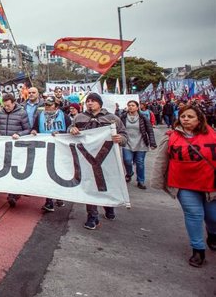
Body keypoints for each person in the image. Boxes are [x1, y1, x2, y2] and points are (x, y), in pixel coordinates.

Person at [151, 104, 216, 267]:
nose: (186, 119)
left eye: (190, 116)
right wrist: (158, 180)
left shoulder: (213, 135)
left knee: (212, 216)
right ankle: (198, 249)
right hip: (183, 184)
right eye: (183, 116)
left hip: (210, 184)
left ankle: (213, 234)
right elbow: (161, 160)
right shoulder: (171, 136)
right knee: (194, 214)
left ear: (200, 119)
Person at [69, 93, 128, 230]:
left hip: (107, 158)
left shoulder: (112, 118)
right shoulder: (79, 117)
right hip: (87, 158)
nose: (90, 103)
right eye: (88, 101)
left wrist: (121, 139)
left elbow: (124, 135)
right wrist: (72, 129)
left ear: (100, 103)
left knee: (106, 184)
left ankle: (108, 206)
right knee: (90, 186)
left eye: (93, 101)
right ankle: (92, 216)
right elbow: (70, 130)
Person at [31, 97, 71, 212]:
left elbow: (71, 129)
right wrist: (34, 131)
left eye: (50, 105)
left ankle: (60, 197)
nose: (47, 107)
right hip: (46, 149)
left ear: (56, 106)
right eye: (46, 105)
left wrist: (61, 133)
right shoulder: (40, 116)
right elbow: (35, 128)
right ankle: (49, 202)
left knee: (60, 174)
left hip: (60, 149)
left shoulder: (64, 116)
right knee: (48, 174)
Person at [0, 94, 31, 207]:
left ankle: (14, 194)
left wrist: (19, 134)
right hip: (4, 146)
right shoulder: (0, 112)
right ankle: (11, 192)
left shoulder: (22, 113)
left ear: (13, 103)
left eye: (8, 106)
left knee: (16, 170)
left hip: (17, 146)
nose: (6, 108)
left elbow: (28, 129)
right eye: (4, 106)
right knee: (6, 168)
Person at [120, 100, 156, 189]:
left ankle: (141, 181)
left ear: (137, 107)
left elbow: (149, 130)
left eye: (133, 105)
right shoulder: (123, 117)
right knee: (127, 160)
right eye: (129, 105)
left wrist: (152, 143)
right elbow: (118, 128)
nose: (130, 107)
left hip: (141, 143)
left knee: (140, 163)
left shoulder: (143, 118)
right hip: (127, 143)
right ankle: (129, 173)